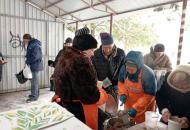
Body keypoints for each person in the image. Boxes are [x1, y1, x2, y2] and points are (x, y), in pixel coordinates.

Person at [51, 27, 108, 130]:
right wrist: (102, 95)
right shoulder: (80, 63)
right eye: (91, 50)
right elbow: (88, 96)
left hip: (64, 103)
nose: (93, 53)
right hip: (78, 109)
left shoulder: (66, 56)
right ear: (84, 49)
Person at [118, 51, 157, 124]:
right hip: (129, 104)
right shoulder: (124, 69)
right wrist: (123, 93)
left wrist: (136, 108)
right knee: (127, 123)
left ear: (138, 66)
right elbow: (121, 83)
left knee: (141, 126)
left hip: (144, 107)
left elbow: (149, 95)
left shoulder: (148, 74)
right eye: (127, 68)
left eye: (132, 69)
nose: (129, 71)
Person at [92, 32, 125, 102]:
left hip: (115, 86)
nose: (107, 50)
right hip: (101, 85)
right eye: (105, 47)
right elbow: (93, 71)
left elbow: (122, 71)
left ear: (113, 45)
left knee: (113, 107)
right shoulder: (95, 54)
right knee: (101, 106)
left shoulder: (121, 53)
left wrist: (119, 85)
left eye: (110, 47)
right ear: (102, 45)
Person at [156, 64, 190, 130]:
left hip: (186, 119)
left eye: (183, 87)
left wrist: (187, 118)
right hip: (169, 116)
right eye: (176, 86)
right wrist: (165, 110)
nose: (179, 89)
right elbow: (160, 96)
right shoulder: (169, 78)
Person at [23, 34, 43, 102]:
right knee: (34, 81)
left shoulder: (35, 44)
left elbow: (35, 56)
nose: (24, 41)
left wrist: (27, 61)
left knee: (34, 82)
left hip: (35, 65)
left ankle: (34, 96)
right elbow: (31, 54)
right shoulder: (31, 43)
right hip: (33, 65)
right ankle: (35, 94)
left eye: (24, 40)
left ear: (27, 39)